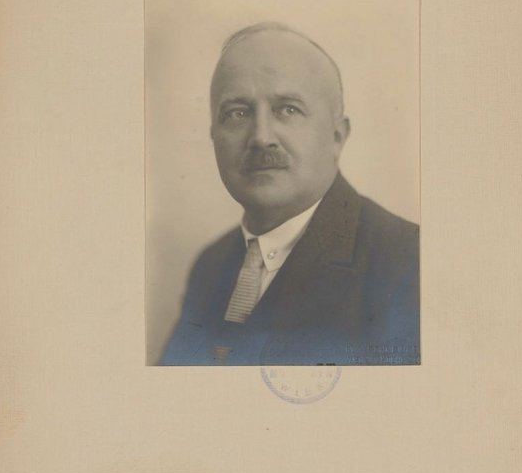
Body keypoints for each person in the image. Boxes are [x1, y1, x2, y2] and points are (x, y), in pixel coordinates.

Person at [160, 22, 419, 366]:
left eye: (288, 109)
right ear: (214, 137)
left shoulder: (408, 263)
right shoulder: (210, 267)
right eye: (237, 113)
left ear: (337, 136)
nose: (261, 137)